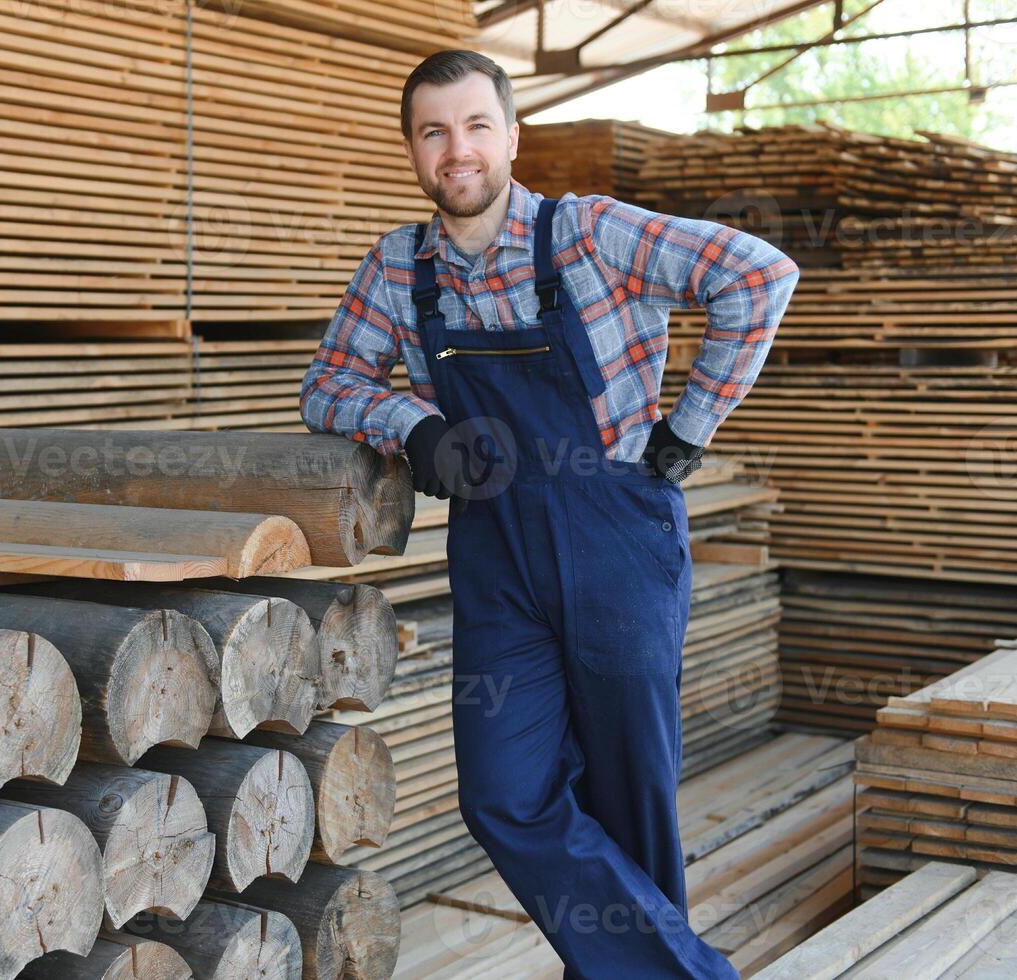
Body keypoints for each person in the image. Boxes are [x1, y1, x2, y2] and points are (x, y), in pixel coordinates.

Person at [299, 49, 798, 978]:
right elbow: (327, 381)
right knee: (502, 793)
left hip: (615, 535)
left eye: (475, 125)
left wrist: (689, 427)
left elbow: (758, 275)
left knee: (628, 795)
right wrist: (413, 428)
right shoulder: (400, 269)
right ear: (411, 150)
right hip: (497, 556)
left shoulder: (589, 235)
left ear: (512, 136)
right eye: (432, 131)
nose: (457, 150)